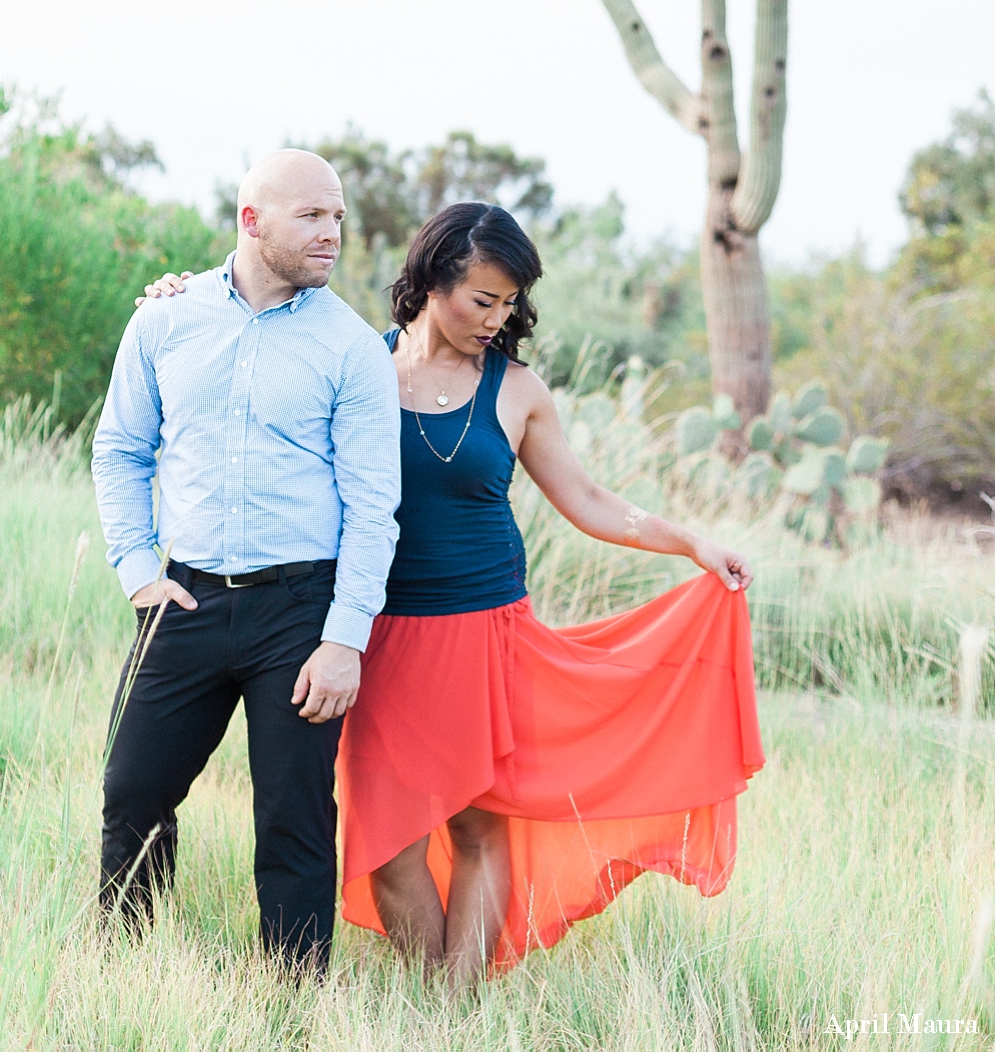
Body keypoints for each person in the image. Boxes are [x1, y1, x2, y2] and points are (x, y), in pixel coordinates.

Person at [145, 201, 764, 986]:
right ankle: (437, 987)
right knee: (389, 840)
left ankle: (450, 1006)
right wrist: (181, 295)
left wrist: (693, 543)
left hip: (486, 630)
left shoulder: (517, 390)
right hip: (374, 630)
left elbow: (591, 501)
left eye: (509, 303)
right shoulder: (353, 361)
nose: (496, 317)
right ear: (432, 281)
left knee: (480, 823)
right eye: (483, 299)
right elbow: (249, 356)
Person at [92, 149, 401, 974]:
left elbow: (375, 506)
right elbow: (120, 448)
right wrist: (136, 570)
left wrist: (345, 638)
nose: (332, 232)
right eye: (311, 216)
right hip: (182, 599)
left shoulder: (351, 347)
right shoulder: (164, 318)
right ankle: (121, 968)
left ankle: (294, 1001)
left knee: (293, 818)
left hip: (301, 612)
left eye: (337, 215)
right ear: (252, 221)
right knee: (132, 792)